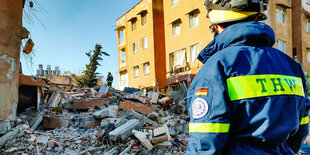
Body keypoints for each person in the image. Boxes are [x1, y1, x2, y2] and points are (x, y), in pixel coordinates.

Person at [187, 0, 310, 154]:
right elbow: (300, 129)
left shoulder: (217, 67)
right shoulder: (292, 66)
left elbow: (205, 142)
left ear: (216, 26)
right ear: (256, 18)